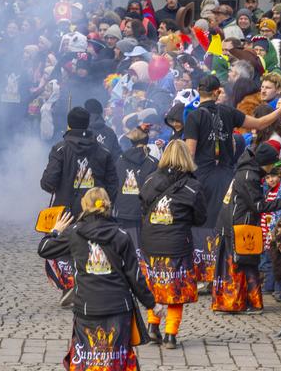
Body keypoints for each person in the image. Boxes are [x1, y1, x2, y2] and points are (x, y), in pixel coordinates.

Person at [183, 74, 281, 286]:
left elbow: (189, 153)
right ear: (216, 92)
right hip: (226, 176)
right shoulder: (228, 112)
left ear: (200, 92)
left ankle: (205, 275)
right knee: (223, 224)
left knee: (202, 222)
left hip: (202, 176)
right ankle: (224, 273)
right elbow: (260, 123)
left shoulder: (194, 117)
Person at [38, 188, 156, 370]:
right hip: (119, 307)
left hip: (87, 307)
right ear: (108, 205)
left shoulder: (73, 233)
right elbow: (135, 276)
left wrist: (55, 230)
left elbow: (44, 249)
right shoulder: (121, 235)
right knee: (117, 358)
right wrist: (152, 304)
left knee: (87, 358)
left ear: (84, 206)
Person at [40, 106, 118, 303]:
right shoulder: (103, 151)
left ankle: (70, 283)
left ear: (69, 124)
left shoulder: (60, 149)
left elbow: (48, 183)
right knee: (92, 246)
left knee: (58, 246)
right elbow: (112, 184)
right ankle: (87, 283)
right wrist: (104, 205)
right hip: (94, 209)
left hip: (65, 211)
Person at [212, 143, 281, 314]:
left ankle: (245, 302)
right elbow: (259, 206)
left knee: (244, 264)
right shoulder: (249, 176)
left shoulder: (245, 172)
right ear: (264, 163)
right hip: (239, 226)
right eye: (271, 164)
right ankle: (237, 303)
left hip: (236, 224)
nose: (272, 168)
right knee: (241, 264)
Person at [139, 140, 207, 349]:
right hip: (177, 244)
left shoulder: (150, 179)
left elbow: (142, 207)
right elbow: (200, 218)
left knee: (155, 285)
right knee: (175, 289)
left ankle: (152, 326)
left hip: (151, 242)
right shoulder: (193, 186)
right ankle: (170, 335)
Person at [112, 126, 158, 247]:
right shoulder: (153, 163)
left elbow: (114, 184)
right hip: (143, 213)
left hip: (122, 211)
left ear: (131, 141)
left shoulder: (120, 160)